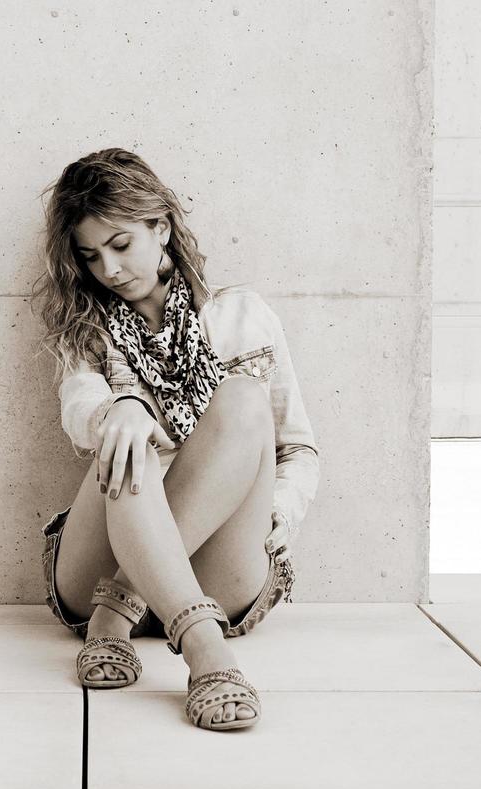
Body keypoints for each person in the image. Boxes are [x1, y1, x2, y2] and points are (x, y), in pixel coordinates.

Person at [32, 148, 320, 731]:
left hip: (216, 566)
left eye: (120, 245)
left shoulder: (244, 317)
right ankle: (207, 656)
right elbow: (79, 408)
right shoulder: (88, 330)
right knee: (126, 439)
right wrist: (126, 407)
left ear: (160, 227)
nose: (108, 270)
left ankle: (124, 603)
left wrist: (277, 518)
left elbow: (297, 448)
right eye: (90, 256)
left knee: (241, 397)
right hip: (104, 552)